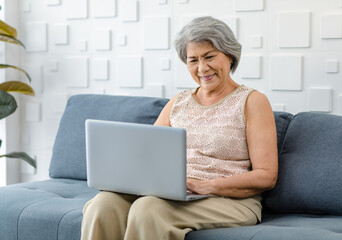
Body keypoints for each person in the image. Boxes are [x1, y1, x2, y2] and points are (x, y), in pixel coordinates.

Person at [81, 16, 278, 240]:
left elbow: (266, 176)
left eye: (209, 56)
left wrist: (207, 186)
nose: (202, 68)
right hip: (174, 193)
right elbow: (146, 156)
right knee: (103, 204)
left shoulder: (252, 101)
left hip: (230, 200)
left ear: (230, 55)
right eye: (193, 60)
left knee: (148, 209)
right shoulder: (178, 102)